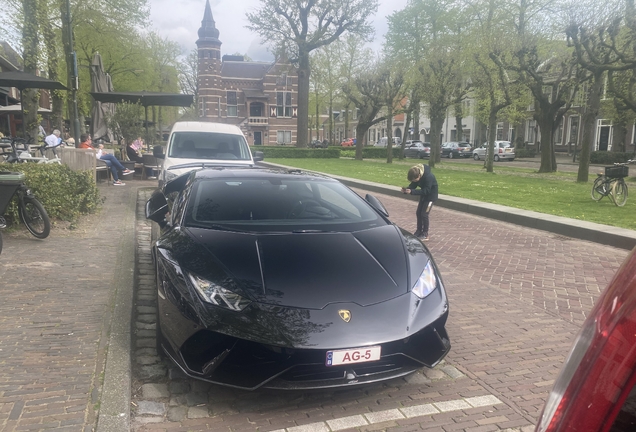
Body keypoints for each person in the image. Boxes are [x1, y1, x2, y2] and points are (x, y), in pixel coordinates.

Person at [401, 163, 438, 241]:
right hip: (423, 196)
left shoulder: (429, 177)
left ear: (419, 176)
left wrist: (412, 191)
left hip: (430, 197)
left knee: (424, 214)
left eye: (415, 180)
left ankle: (425, 233)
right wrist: (406, 190)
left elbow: (427, 191)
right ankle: (418, 231)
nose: (414, 181)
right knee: (418, 213)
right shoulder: (417, 174)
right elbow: (413, 186)